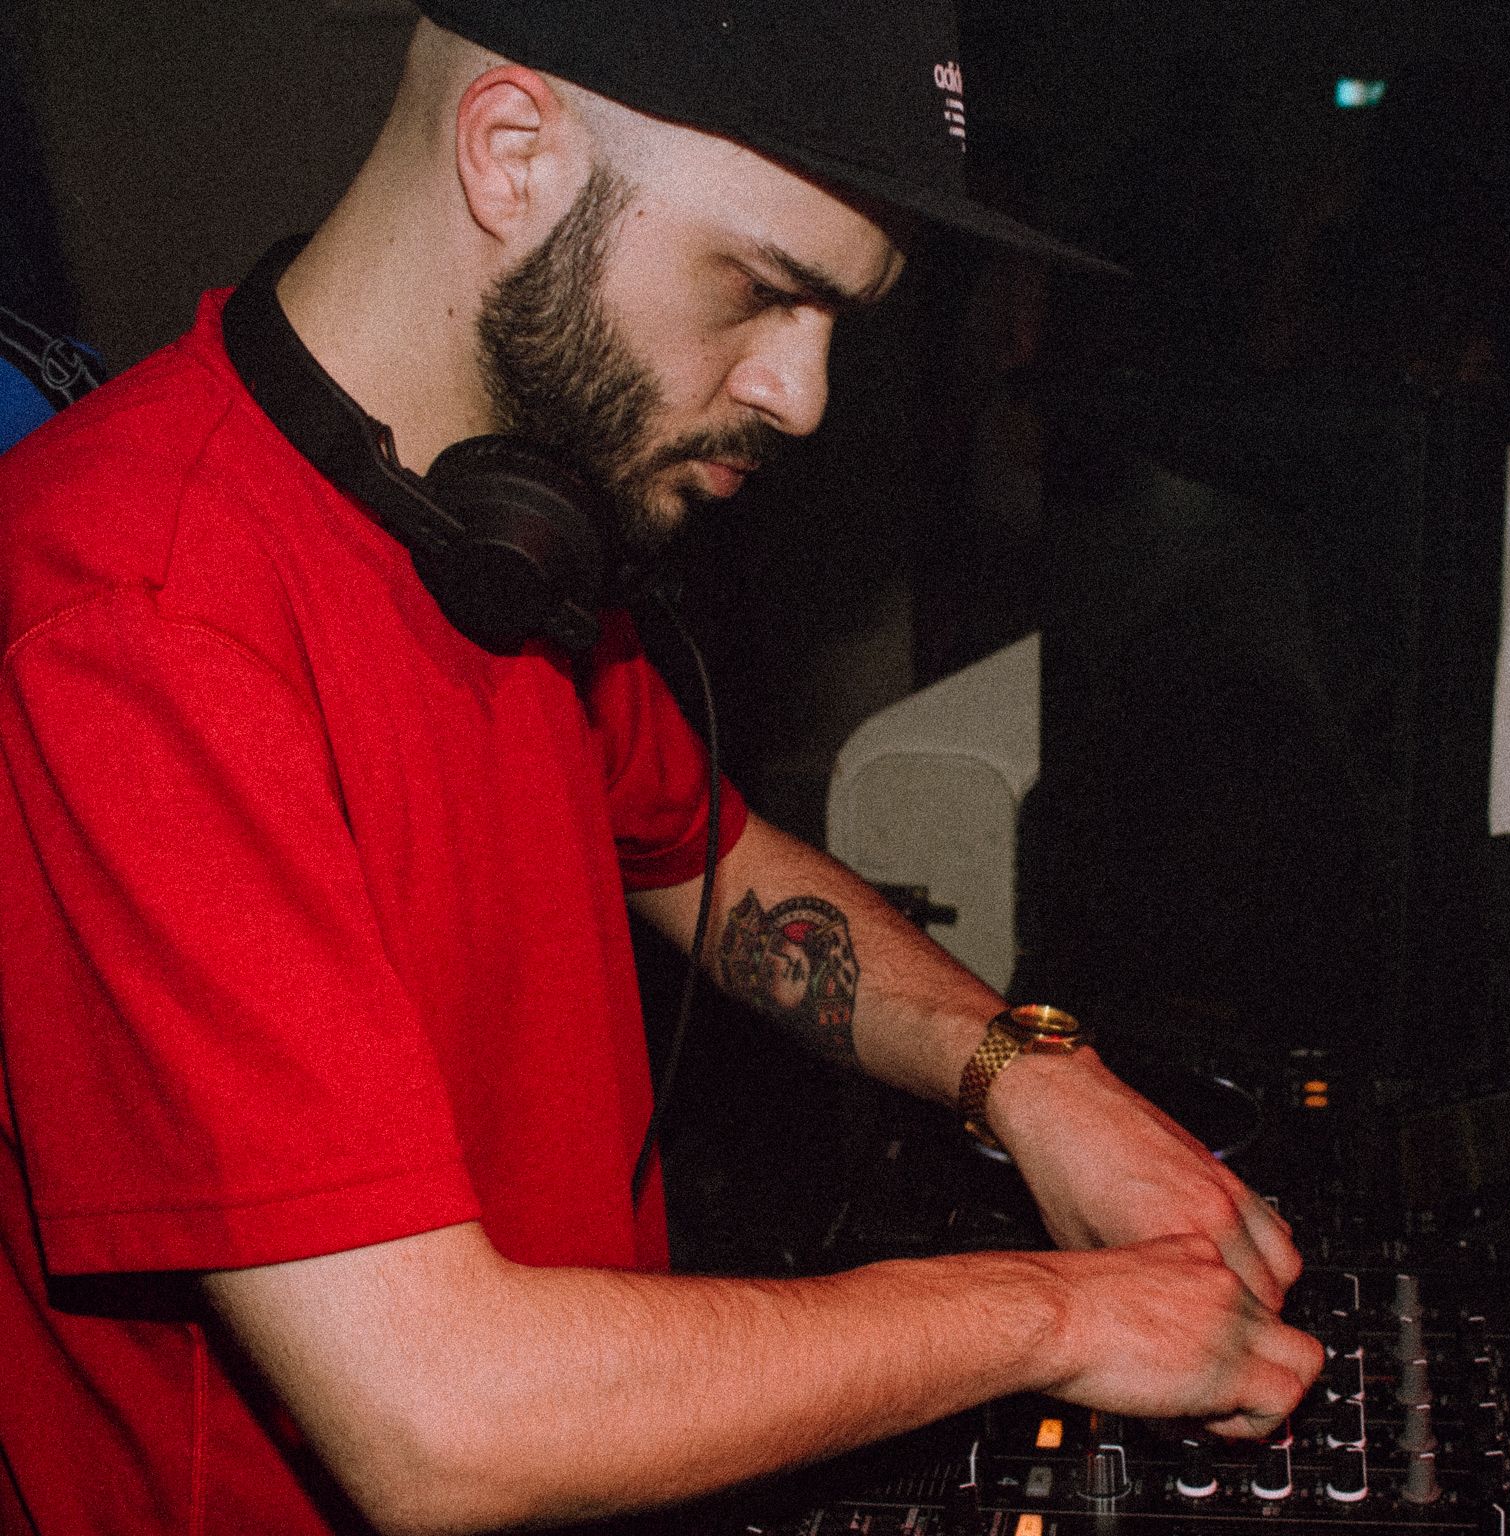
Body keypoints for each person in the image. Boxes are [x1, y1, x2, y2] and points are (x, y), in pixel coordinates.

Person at [0, 4, 1322, 1533]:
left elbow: (714, 861)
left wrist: (1029, 1077)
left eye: (842, 318)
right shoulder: (129, 623)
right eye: (762, 289)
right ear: (512, 154)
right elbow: (437, 1422)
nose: (803, 394)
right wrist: (1057, 1312)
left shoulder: (512, 533)